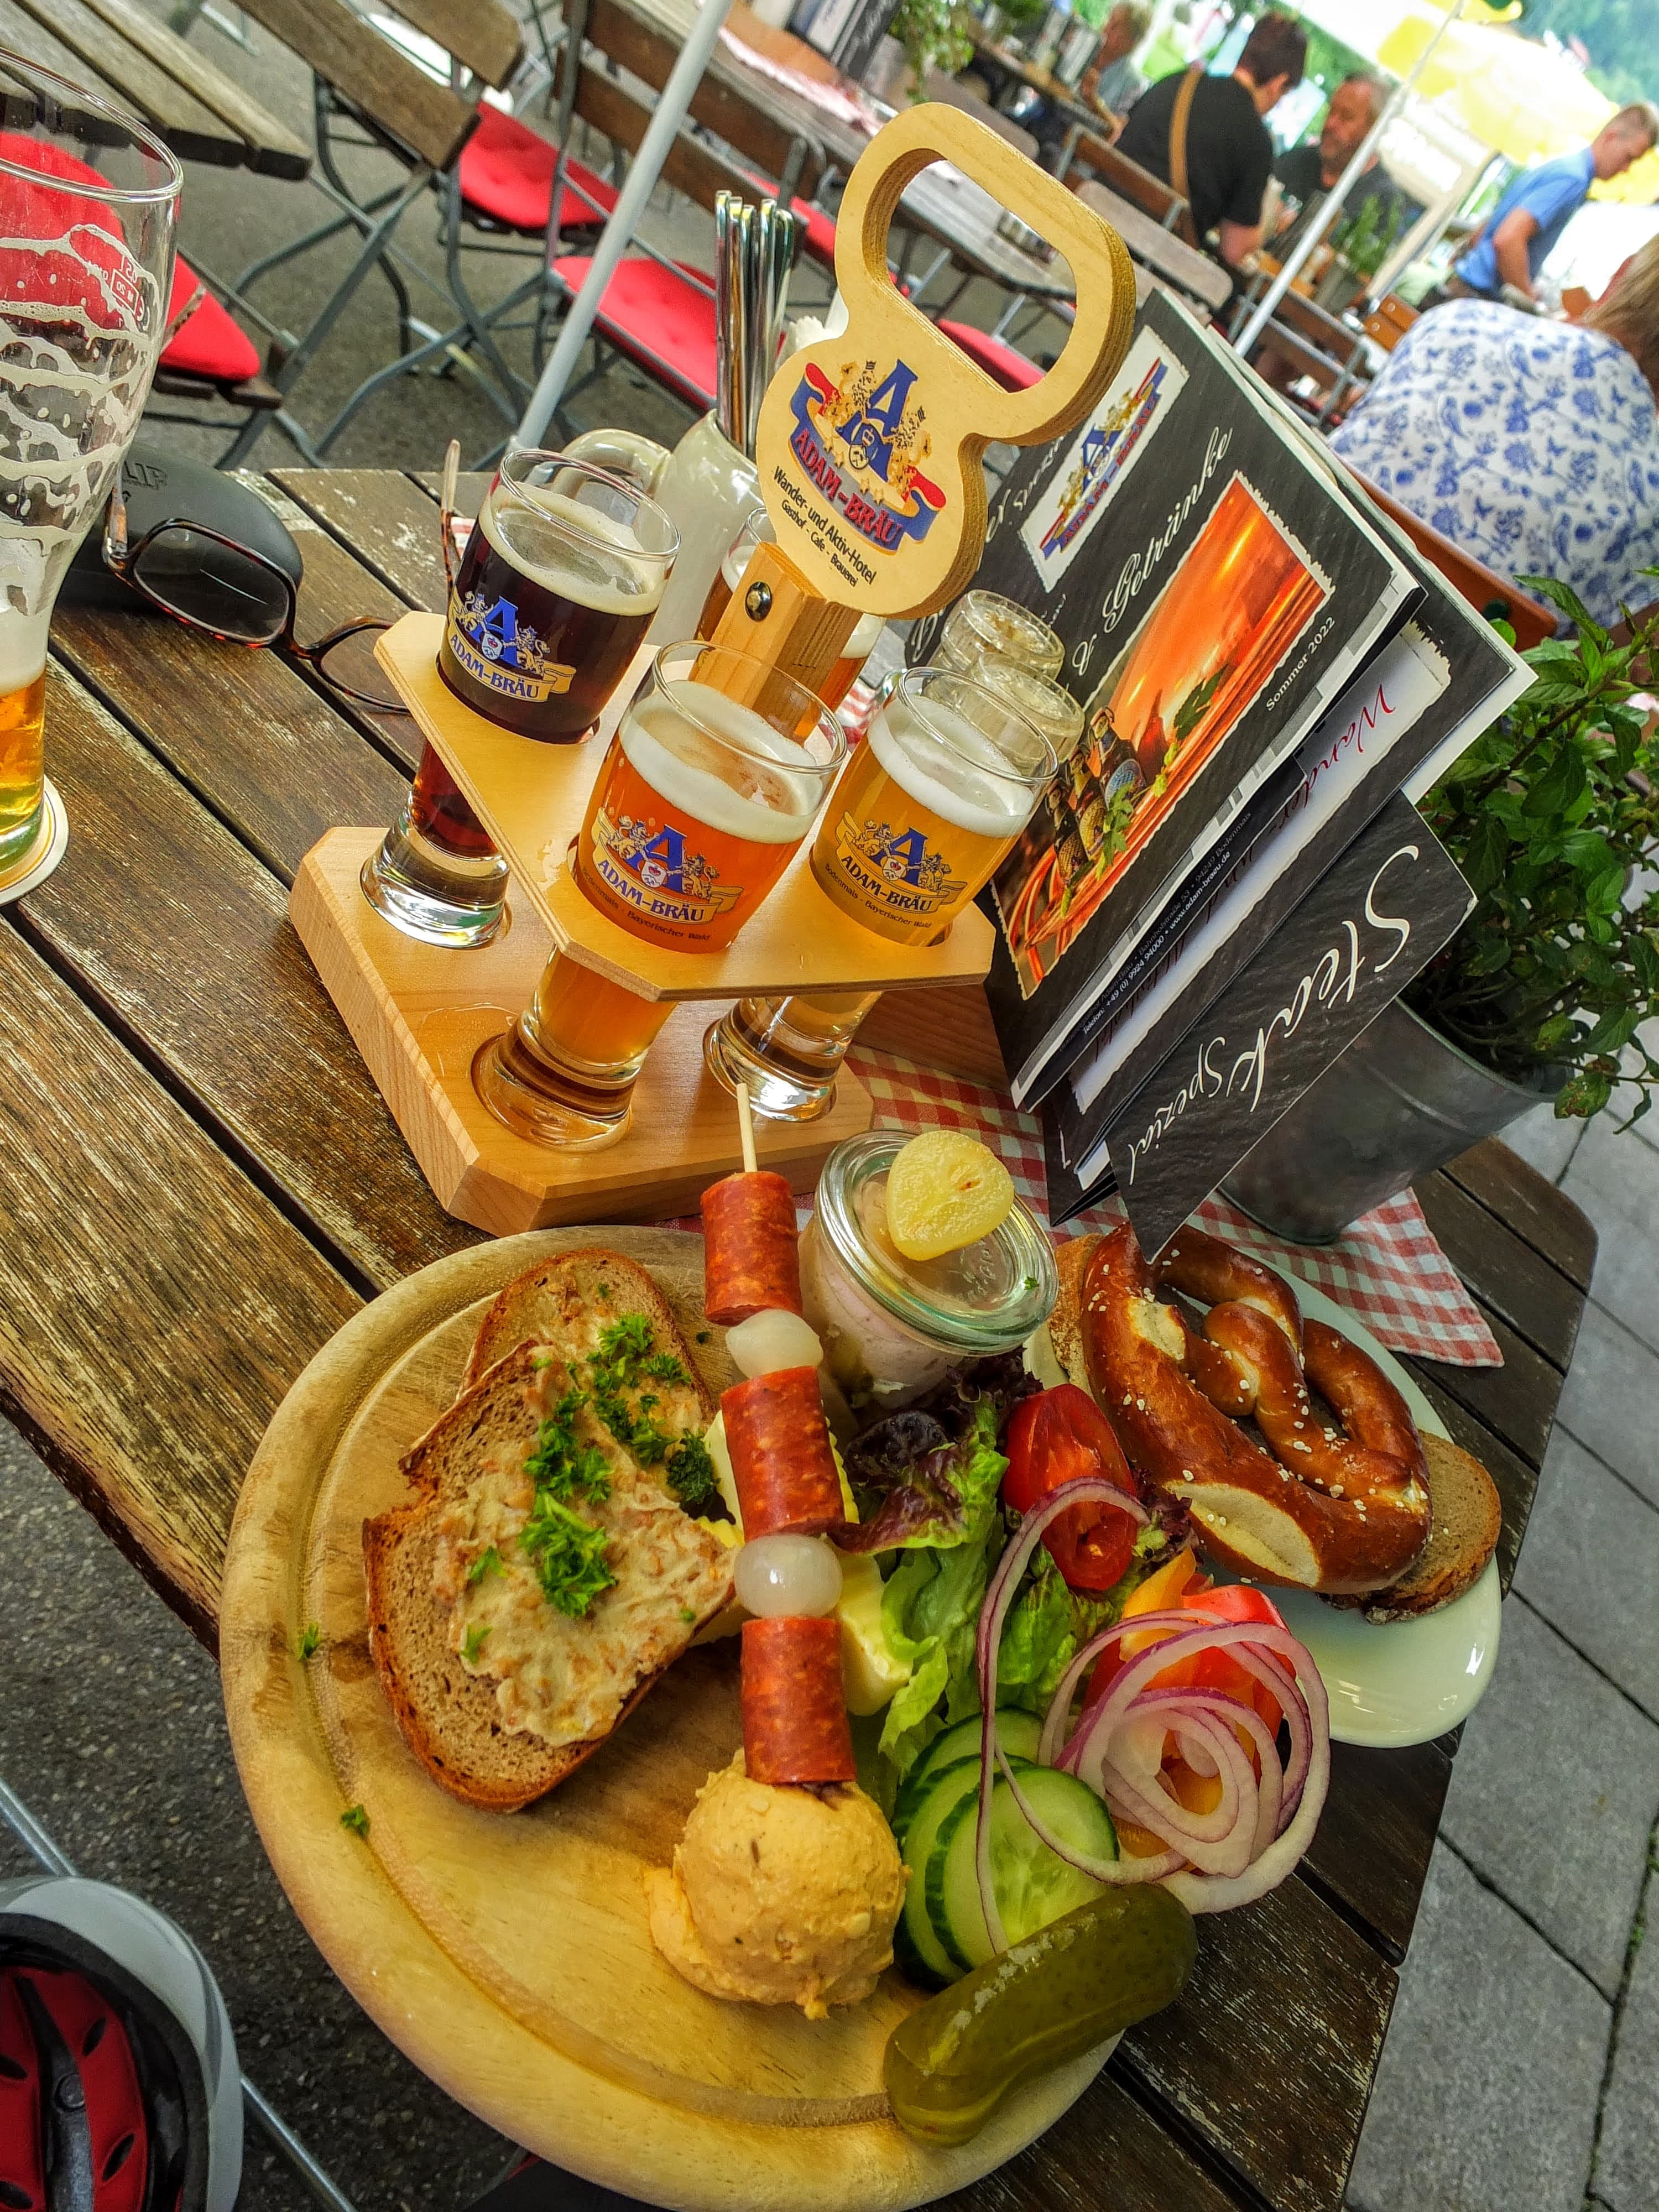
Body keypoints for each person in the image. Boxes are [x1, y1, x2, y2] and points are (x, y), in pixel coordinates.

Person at [1330, 237, 1659, 628]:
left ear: (1619, 276)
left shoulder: (1457, 322)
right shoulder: (1651, 496)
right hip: (1423, 683)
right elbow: (1610, 673)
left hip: (1279, 593)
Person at [1114, 13, 1308, 270]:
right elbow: (1234, 249)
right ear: (1280, 83)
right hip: (1140, 267)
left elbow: (1117, 138)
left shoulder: (1180, 80)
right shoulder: (1256, 141)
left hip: (1084, 230)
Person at [1451, 105, 1659, 302]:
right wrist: (1527, 300)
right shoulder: (1573, 179)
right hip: (1475, 296)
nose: (1626, 169)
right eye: (1628, 157)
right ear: (1610, 137)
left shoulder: (1564, 166)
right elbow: (1507, 239)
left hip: (1462, 288)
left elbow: (1487, 230)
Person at [1274, 71, 1420, 262]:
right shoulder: (1296, 160)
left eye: (1346, 117)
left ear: (1374, 129)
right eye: (1331, 111)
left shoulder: (1382, 203)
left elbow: (1357, 274)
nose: (1331, 123)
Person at [1079, 1, 1151, 119]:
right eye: (1110, 20)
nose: (1107, 27)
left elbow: (1117, 130)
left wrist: (1094, 101)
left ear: (1133, 41)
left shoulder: (1134, 84)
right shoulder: (1086, 44)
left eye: (1116, 26)